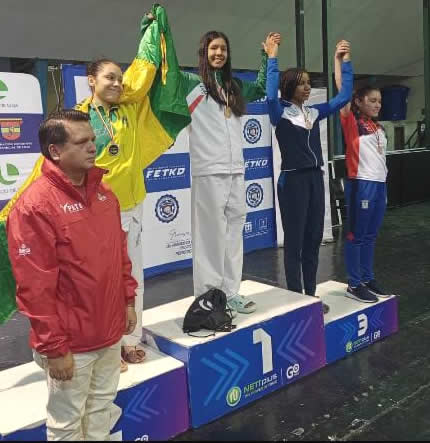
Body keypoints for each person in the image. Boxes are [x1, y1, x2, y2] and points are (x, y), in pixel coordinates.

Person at [6, 110, 137, 441]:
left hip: (109, 332)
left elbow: (120, 257)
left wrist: (128, 302)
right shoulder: (35, 206)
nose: (93, 147)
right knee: (66, 424)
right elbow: (34, 286)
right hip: (71, 344)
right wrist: (54, 348)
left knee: (101, 410)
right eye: (81, 142)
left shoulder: (106, 194)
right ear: (55, 151)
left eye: (93, 139)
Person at [75, 6, 190, 370]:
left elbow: (146, 71)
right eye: (109, 77)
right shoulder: (77, 118)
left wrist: (151, 32)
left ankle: (129, 340)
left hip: (131, 207)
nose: (117, 83)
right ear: (91, 80)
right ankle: (106, 345)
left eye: (119, 77)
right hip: (93, 213)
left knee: (132, 279)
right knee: (99, 281)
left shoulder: (130, 107)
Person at [174, 28, 280, 316]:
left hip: (236, 171)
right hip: (208, 170)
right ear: (204, 52)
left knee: (234, 233)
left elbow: (261, 86)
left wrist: (267, 56)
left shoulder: (234, 86)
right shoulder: (190, 83)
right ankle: (208, 298)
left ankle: (230, 293)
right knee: (209, 237)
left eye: (223, 48)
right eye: (213, 48)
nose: (219, 53)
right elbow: (166, 71)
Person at [266, 37, 354, 313]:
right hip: (293, 182)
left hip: (315, 180)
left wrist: (343, 62)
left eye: (308, 82)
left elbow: (344, 97)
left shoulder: (314, 113)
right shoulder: (279, 112)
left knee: (313, 239)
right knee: (294, 243)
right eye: (302, 83)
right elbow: (270, 96)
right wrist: (272, 58)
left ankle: (311, 295)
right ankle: (297, 300)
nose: (307, 87)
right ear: (289, 86)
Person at [335, 51, 393, 302]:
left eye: (379, 101)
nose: (377, 105)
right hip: (361, 184)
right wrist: (341, 62)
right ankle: (354, 283)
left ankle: (368, 278)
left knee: (370, 235)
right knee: (356, 236)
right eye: (372, 100)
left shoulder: (377, 126)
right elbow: (343, 91)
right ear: (358, 102)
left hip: (379, 185)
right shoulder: (351, 121)